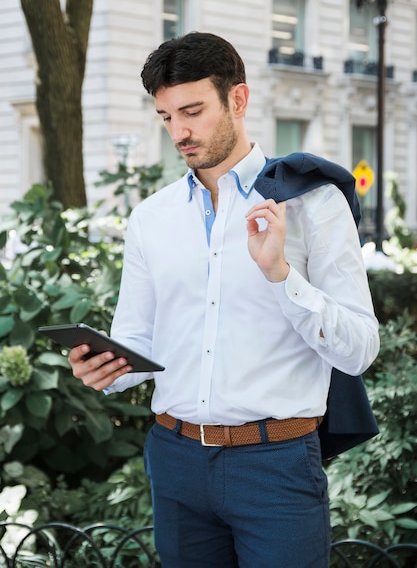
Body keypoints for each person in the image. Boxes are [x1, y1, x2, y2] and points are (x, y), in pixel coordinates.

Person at [69, 32, 380, 567]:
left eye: (192, 111)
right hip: (175, 458)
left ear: (238, 99)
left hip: (275, 466)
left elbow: (359, 350)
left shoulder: (311, 202)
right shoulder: (151, 219)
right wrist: (107, 368)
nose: (180, 132)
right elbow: (138, 341)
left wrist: (281, 274)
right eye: (167, 117)